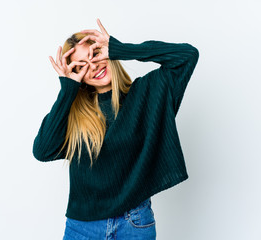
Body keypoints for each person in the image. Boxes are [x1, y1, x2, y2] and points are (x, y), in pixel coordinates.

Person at [32, 18, 199, 239]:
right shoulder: (75, 114)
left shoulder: (148, 94)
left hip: (134, 223)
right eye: (81, 66)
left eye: (95, 55)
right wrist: (67, 90)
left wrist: (120, 49)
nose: (93, 67)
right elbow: (42, 151)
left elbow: (187, 56)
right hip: (82, 228)